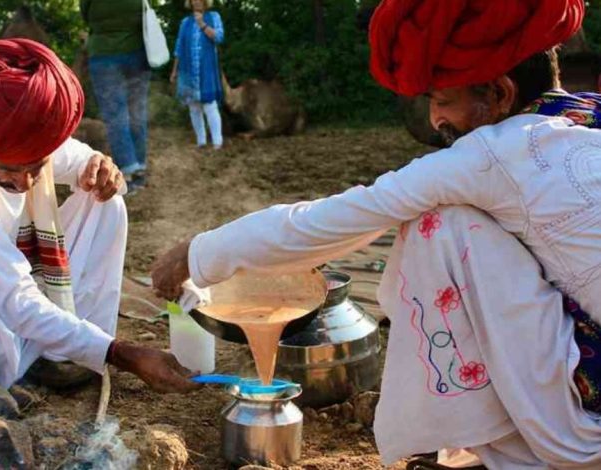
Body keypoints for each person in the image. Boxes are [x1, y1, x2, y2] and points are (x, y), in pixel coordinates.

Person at [152, 1, 601, 467]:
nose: (435, 120)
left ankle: (516, 455)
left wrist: (197, 253)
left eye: (442, 100)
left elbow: (325, 222)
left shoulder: (493, 155)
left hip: (588, 434)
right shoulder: (587, 116)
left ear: (500, 94)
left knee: (438, 226)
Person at [0, 39, 199, 419]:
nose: (26, 182)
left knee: (104, 199)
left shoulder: (30, 139)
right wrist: (121, 352)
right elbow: (14, 297)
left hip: (5, 304)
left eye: (36, 167)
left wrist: (105, 169)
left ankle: (59, 355)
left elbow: (84, 163)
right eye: (9, 170)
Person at [80, 0, 150, 193]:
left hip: (104, 56)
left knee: (115, 116)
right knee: (138, 112)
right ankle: (140, 167)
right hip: (137, 53)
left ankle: (128, 171)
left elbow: (85, 16)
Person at [170, 0, 225, 150]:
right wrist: (174, 70)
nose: (197, 1)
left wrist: (202, 25)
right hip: (187, 69)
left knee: (210, 105)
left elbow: (219, 37)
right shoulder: (185, 22)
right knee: (193, 106)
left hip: (207, 68)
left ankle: (217, 142)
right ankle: (201, 142)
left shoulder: (214, 17)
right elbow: (179, 47)